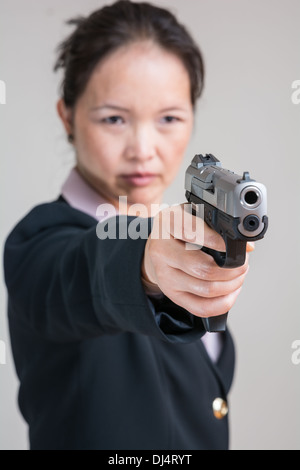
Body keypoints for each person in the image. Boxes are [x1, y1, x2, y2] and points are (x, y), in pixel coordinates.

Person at [4, 0, 252, 450]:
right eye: (114, 118)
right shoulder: (37, 243)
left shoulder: (187, 243)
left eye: (169, 119)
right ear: (67, 117)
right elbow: (86, 269)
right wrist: (146, 261)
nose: (143, 148)